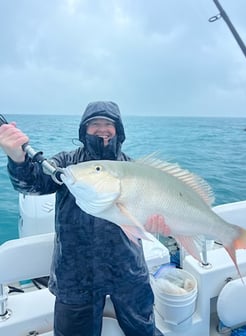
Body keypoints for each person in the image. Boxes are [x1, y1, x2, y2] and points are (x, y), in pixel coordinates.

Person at [0, 101, 168, 336]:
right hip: (76, 276)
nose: (102, 129)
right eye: (94, 124)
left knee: (144, 330)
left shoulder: (132, 168)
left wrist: (156, 221)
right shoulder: (67, 165)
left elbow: (151, 209)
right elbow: (33, 183)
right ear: (83, 131)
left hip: (128, 270)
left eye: (108, 124)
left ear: (118, 130)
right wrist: (18, 157)